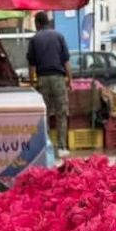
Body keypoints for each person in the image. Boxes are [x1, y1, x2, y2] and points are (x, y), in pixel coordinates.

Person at [27, 11, 72, 159]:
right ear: (48, 22)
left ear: (37, 24)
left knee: (43, 114)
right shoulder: (59, 36)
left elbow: (32, 65)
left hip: (43, 79)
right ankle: (62, 147)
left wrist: (33, 83)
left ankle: (47, 147)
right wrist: (69, 80)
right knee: (61, 113)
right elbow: (66, 61)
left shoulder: (34, 39)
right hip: (59, 79)